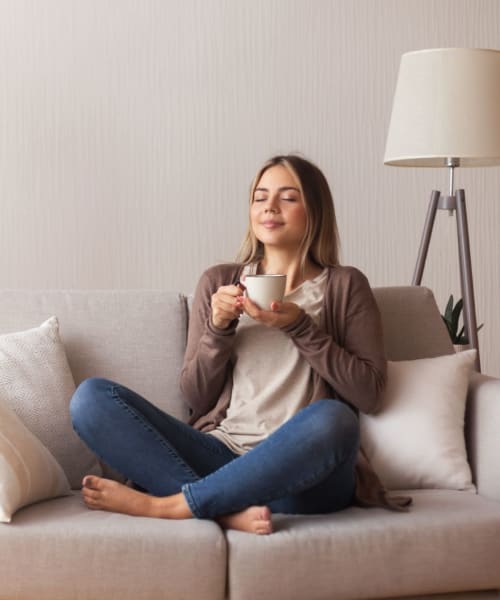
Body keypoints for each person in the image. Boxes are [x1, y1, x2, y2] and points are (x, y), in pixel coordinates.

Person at [70, 154, 392, 536]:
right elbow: (197, 398)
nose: (269, 207)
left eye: (288, 197)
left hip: (303, 477)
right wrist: (218, 327)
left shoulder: (345, 286)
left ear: (315, 210)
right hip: (221, 457)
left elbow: (369, 393)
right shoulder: (220, 281)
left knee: (334, 420)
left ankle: (170, 504)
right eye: (260, 197)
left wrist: (302, 327)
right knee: (91, 399)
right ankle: (222, 510)